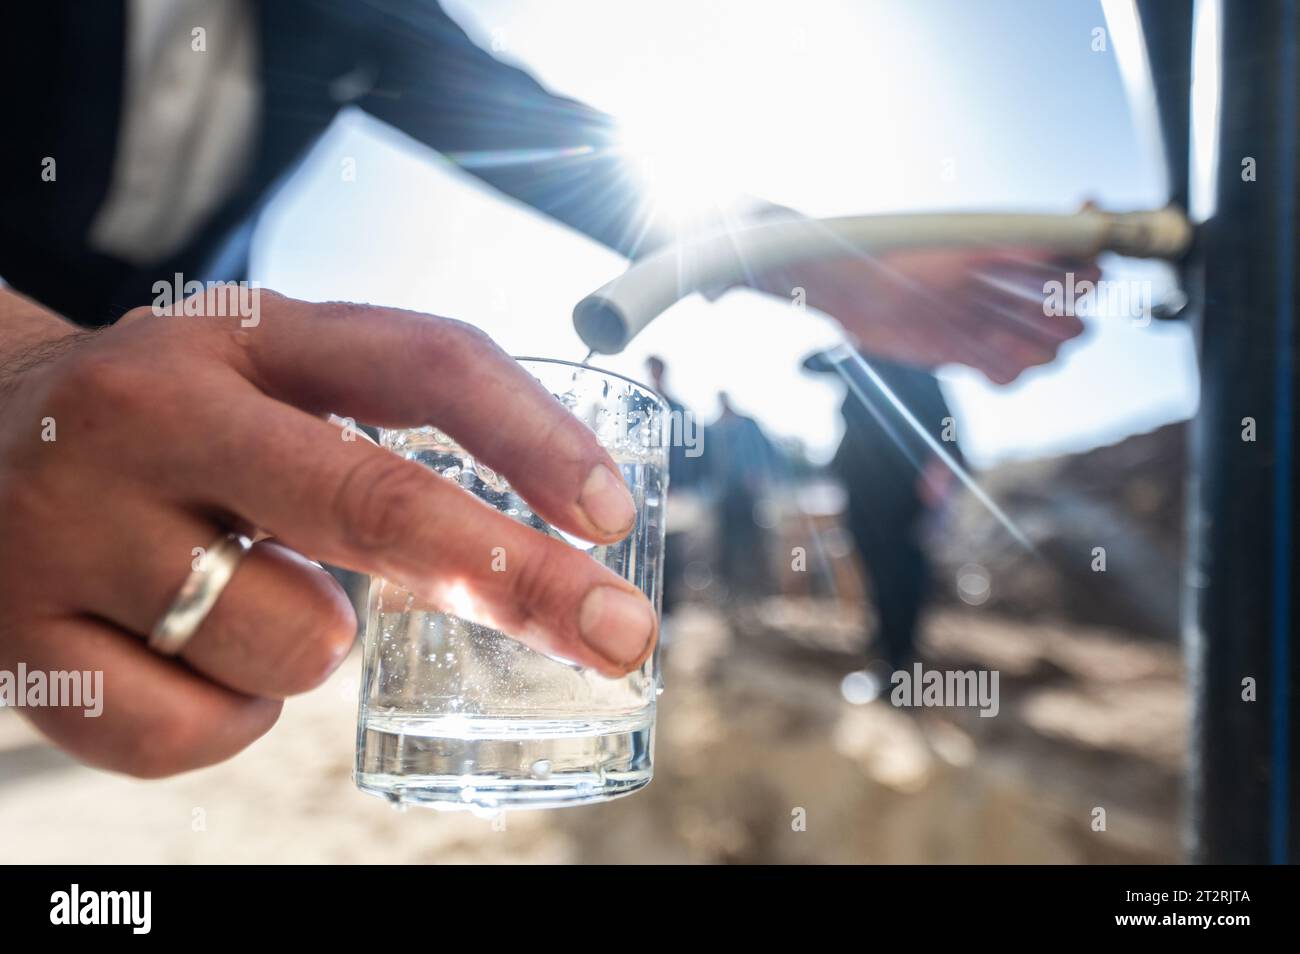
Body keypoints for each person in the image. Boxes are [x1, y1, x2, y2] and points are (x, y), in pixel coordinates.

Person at [0, 2, 1089, 777]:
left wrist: (843, 268)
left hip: (134, 430)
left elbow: (552, 141)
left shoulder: (360, 18)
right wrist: (23, 363)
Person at [804, 350, 962, 674]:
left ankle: (899, 657)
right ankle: (885, 643)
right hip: (861, 489)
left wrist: (940, 477)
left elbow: (946, 431)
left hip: (905, 490)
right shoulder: (856, 364)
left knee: (902, 571)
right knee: (874, 568)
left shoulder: (918, 368)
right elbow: (809, 364)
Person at [706, 393, 781, 601]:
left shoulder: (748, 425)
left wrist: (760, 474)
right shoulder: (713, 429)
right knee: (725, 545)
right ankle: (729, 593)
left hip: (748, 497)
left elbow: (768, 453)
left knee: (754, 542)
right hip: (724, 498)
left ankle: (760, 592)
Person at [645, 356, 702, 616]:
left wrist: (680, 483)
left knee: (673, 551)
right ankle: (647, 604)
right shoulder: (639, 403)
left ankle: (668, 610)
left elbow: (692, 452)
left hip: (675, 493)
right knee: (648, 549)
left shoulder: (679, 410)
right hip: (645, 494)